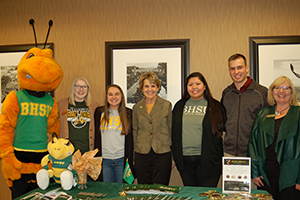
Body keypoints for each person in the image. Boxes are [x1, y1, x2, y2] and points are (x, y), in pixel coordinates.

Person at [248, 76, 300, 200]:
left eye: (286, 88)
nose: (281, 91)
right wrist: (254, 173)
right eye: (277, 88)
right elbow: (252, 143)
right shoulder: (263, 113)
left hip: (291, 175)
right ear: (272, 91)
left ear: (291, 93)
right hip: (265, 174)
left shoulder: (298, 113)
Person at [172, 72, 226, 187]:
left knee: (206, 195)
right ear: (186, 88)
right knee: (191, 194)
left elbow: (223, 130)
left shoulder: (216, 106)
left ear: (205, 86)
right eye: (190, 84)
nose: (194, 87)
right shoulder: (179, 106)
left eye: (198, 84)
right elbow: (173, 132)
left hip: (209, 161)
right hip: (184, 161)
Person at [221, 53, 268, 157]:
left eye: (239, 67)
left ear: (247, 68)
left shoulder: (262, 92)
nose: (236, 72)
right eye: (232, 68)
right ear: (229, 71)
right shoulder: (226, 93)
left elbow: (268, 125)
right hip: (229, 153)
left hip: (254, 152)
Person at [132, 71, 172, 185]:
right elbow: (135, 132)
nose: (150, 89)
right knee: (144, 187)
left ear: (158, 87)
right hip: (142, 153)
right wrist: (134, 157)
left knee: (161, 188)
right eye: (146, 86)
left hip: (162, 153)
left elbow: (170, 130)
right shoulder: (137, 107)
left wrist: (172, 157)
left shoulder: (166, 105)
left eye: (153, 86)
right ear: (141, 88)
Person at [94, 84, 135, 183]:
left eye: (117, 94)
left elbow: (132, 139)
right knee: (107, 190)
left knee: (122, 190)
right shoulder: (99, 112)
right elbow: (95, 137)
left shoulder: (129, 113)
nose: (113, 97)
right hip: (104, 160)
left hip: (121, 159)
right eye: (110, 94)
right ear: (106, 97)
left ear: (121, 96)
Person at [58, 77, 99, 154]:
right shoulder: (62, 104)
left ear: (88, 89)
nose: (81, 89)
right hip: (67, 152)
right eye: (77, 86)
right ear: (72, 88)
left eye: (84, 87)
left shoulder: (94, 106)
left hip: (87, 152)